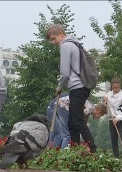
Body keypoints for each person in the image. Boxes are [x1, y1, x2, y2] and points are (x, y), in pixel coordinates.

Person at [46, 24, 97, 152]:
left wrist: (60, 87)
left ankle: (92, 148)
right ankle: (75, 150)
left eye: (54, 39)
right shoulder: (75, 44)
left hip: (77, 87)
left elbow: (64, 72)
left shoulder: (65, 45)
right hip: (82, 86)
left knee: (78, 121)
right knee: (72, 123)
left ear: (60, 34)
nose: (53, 42)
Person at [104, 77, 122, 158]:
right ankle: (116, 158)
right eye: (114, 87)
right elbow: (105, 106)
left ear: (120, 87)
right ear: (111, 87)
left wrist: (118, 118)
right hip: (111, 119)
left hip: (121, 119)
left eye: (118, 87)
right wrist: (105, 101)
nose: (116, 89)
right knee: (114, 139)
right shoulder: (108, 95)